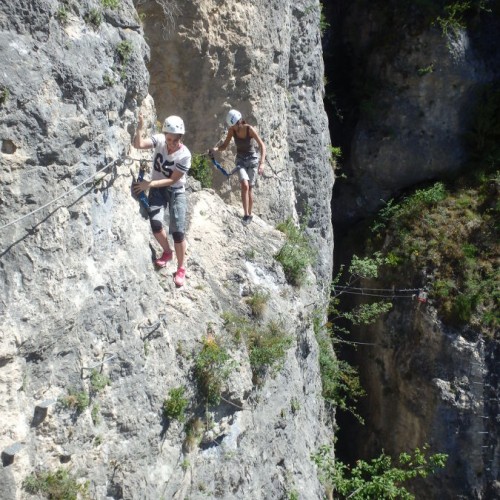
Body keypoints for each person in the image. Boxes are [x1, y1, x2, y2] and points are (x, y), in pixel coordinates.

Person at [133, 113, 191, 287]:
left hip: (175, 192)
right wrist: (139, 127)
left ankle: (181, 268)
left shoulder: (185, 155)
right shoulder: (159, 140)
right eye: (169, 139)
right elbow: (139, 144)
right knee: (156, 224)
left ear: (181, 138)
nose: (171, 143)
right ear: (165, 135)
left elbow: (173, 179)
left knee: (178, 233)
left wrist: (149, 184)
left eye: (175, 140)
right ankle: (167, 252)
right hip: (158, 189)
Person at [210, 109, 266, 225]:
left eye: (234, 125)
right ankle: (245, 214)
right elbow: (224, 145)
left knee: (250, 187)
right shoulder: (232, 131)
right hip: (240, 160)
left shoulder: (249, 129)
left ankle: (250, 214)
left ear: (239, 122)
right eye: (232, 126)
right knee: (244, 185)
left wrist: (262, 163)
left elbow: (262, 145)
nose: (233, 127)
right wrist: (215, 149)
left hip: (252, 160)